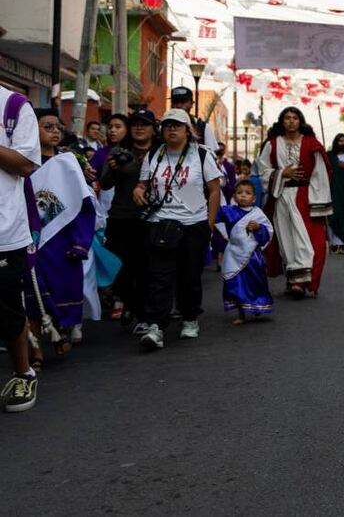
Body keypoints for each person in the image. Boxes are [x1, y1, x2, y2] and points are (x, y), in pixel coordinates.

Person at [132, 108, 222, 349]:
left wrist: (209, 224)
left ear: (187, 130)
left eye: (177, 125)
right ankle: (156, 326)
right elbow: (142, 184)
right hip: (161, 222)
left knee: (189, 276)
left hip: (193, 224)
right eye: (167, 125)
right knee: (159, 276)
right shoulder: (154, 154)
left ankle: (190, 317)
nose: (172, 129)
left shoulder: (201, 154)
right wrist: (138, 191)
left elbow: (214, 190)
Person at [23, 108, 96, 367]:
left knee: (63, 290)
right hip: (31, 240)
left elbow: (82, 204)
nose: (54, 132)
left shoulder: (68, 163)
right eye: (47, 127)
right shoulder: (22, 163)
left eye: (58, 127)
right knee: (32, 295)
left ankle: (61, 329)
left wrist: (80, 242)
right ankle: (35, 351)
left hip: (63, 239)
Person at [258, 107, 332, 299]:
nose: (291, 121)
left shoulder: (312, 144)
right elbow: (263, 170)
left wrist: (318, 201)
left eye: (295, 118)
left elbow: (320, 174)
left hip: (306, 196)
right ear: (282, 122)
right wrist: (282, 173)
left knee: (306, 239)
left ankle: (301, 282)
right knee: (286, 238)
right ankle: (294, 280)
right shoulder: (272, 144)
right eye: (287, 118)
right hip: (281, 195)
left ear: (300, 121)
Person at [0, 86, 41, 412]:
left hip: (4, 231)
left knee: (7, 310)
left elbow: (26, 164)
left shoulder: (13, 106)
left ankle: (23, 373)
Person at [100, 109, 158, 328]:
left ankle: (142, 314)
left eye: (145, 124)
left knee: (145, 268)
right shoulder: (119, 151)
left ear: (153, 129)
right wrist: (114, 168)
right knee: (120, 269)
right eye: (135, 124)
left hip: (150, 218)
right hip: (121, 217)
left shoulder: (160, 152)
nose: (139, 127)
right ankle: (128, 302)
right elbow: (105, 183)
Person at [213, 179, 274, 324]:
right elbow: (213, 214)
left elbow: (267, 233)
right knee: (237, 283)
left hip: (253, 257)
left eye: (247, 193)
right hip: (233, 255)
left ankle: (257, 305)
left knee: (256, 282)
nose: (243, 195)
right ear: (234, 196)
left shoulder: (258, 213)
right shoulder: (228, 211)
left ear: (254, 197)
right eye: (239, 193)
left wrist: (258, 228)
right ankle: (241, 313)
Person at [169, 86, 219, 151]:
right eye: (175, 102)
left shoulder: (204, 128)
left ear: (191, 104)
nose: (178, 105)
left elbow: (211, 154)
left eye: (183, 101)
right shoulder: (163, 127)